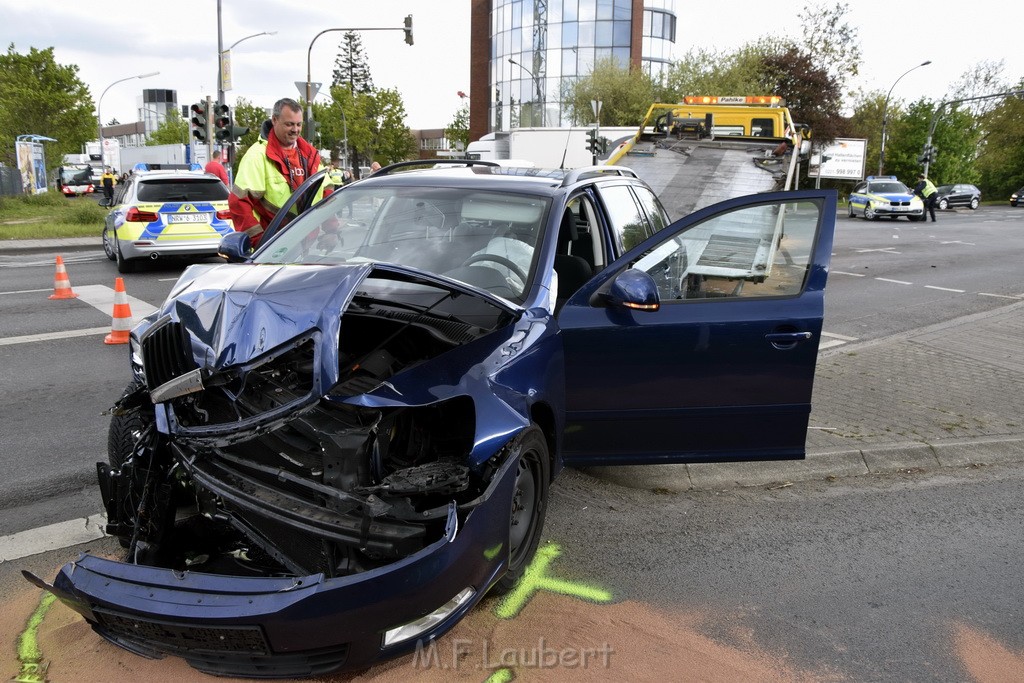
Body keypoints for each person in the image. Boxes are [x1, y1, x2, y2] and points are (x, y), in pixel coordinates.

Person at [229, 98, 328, 247]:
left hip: (308, 246)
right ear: (274, 120)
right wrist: (259, 242)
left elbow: (327, 193)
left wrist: (332, 230)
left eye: (299, 124)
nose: (295, 130)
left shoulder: (310, 154)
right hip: (273, 248)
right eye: (289, 124)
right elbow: (239, 203)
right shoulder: (257, 156)